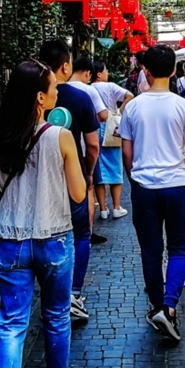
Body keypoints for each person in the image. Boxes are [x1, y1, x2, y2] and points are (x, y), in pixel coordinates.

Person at [0, 60, 90, 368]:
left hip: (11, 242)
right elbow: (78, 194)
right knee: (57, 317)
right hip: (54, 240)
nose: (59, 92)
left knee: (11, 324)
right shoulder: (58, 136)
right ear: (40, 97)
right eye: (54, 87)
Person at [119, 45, 185, 342]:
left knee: (150, 251)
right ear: (172, 71)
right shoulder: (184, 108)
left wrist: (135, 180)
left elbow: (126, 155)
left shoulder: (133, 107)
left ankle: (157, 305)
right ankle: (169, 307)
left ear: (146, 71)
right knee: (179, 249)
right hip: (177, 185)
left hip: (144, 188)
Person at [38, 41, 99, 322]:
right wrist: (87, 175)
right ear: (65, 66)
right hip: (69, 177)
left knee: (45, 235)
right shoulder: (79, 97)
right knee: (80, 234)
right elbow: (93, 145)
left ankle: (51, 293)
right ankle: (72, 293)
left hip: (36, 179)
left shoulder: (28, 95)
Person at [67, 58, 109, 245]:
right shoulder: (88, 90)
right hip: (82, 150)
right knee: (87, 190)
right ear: (88, 73)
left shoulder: (56, 88)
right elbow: (103, 115)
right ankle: (87, 232)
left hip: (57, 151)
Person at [91, 61, 134, 219]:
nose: (107, 72)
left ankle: (103, 209)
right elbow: (129, 96)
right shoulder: (110, 86)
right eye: (106, 70)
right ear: (99, 74)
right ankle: (116, 207)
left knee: (99, 169)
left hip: (93, 128)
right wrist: (118, 113)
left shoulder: (88, 88)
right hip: (110, 128)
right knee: (115, 166)